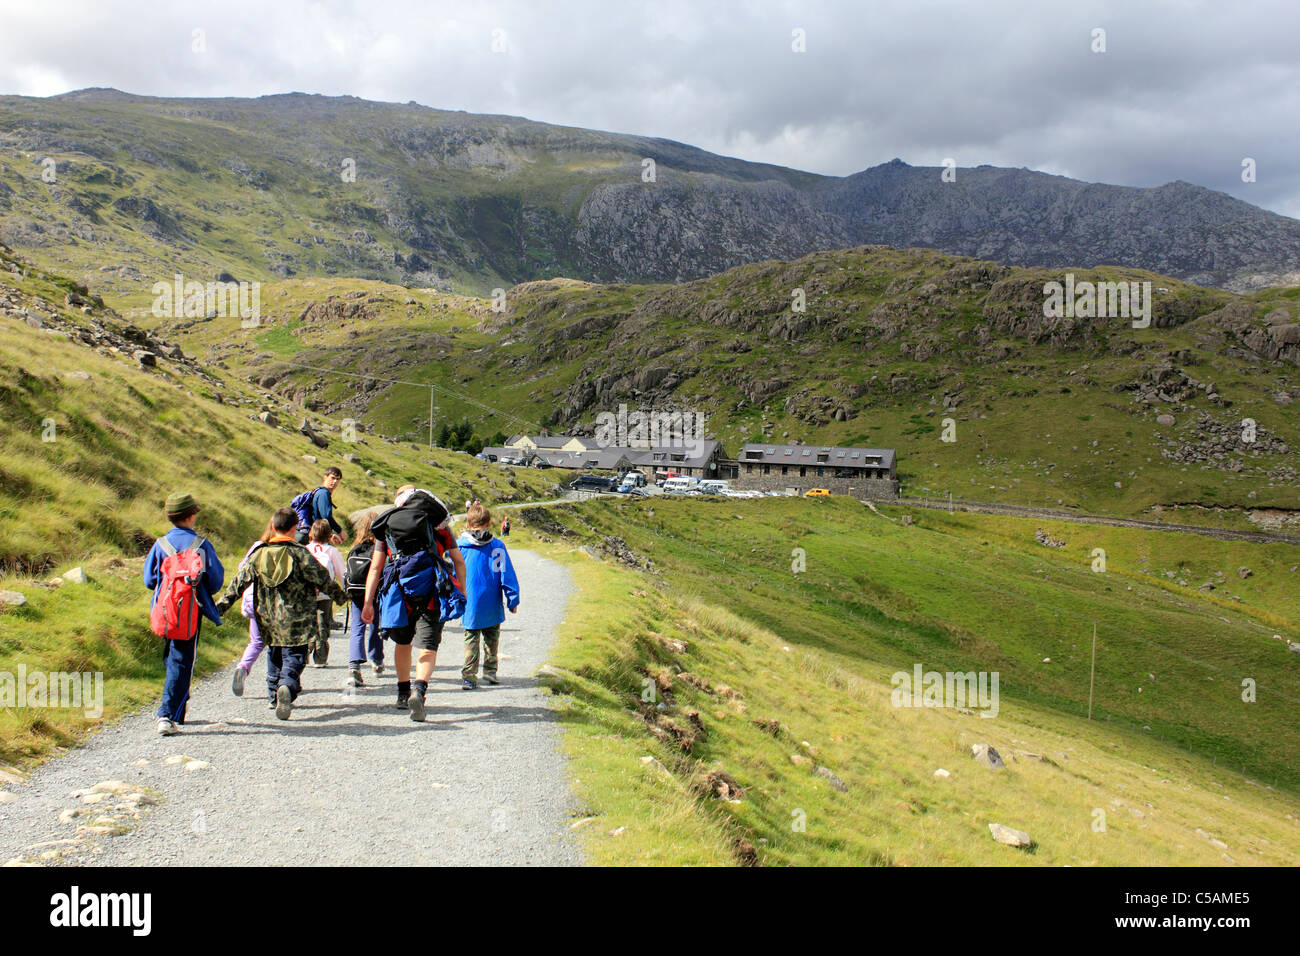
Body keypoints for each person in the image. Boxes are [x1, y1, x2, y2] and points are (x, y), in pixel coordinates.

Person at [214, 508, 347, 721]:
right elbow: (323, 579)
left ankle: (273, 693)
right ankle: (287, 685)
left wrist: (218, 609)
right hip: (297, 618)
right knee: (295, 656)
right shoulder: (301, 553)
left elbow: (237, 584)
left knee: (274, 654)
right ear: (295, 528)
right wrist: (343, 598)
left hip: (267, 617)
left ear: (273, 527)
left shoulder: (260, 554)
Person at [361, 486, 466, 721]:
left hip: (399, 593)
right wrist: (462, 590)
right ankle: (419, 691)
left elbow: (376, 567)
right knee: (428, 647)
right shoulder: (440, 526)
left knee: (403, 642)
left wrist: (368, 602)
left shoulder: (387, 525)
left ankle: (402, 692)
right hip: (431, 591)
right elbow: (458, 560)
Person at [143, 492, 225, 736]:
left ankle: (177, 712)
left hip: (164, 610)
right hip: (190, 610)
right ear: (191, 515)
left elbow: (149, 580)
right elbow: (215, 581)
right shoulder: (200, 545)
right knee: (183, 660)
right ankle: (166, 715)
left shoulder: (160, 544)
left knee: (172, 656)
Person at [457, 503, 520, 689]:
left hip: (470, 602)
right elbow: (506, 574)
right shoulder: (497, 546)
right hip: (492, 601)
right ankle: (490, 671)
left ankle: (469, 676)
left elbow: (451, 573)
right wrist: (512, 600)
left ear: (468, 523)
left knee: (471, 638)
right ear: (489, 523)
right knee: (492, 638)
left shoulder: (460, 547)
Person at [231, 518, 276, 697]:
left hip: (251, 599)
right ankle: (277, 683)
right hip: (271, 603)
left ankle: (242, 668)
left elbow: (242, 568)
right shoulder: (280, 550)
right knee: (276, 644)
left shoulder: (257, 546)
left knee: (256, 642)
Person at [345, 512, 383, 687]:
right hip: (374, 591)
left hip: (356, 592)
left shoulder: (355, 549)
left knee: (357, 627)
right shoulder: (380, 548)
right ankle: (376, 659)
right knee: (375, 625)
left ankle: (354, 665)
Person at [306, 519, 346, 667]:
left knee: (309, 623)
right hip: (325, 593)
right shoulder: (331, 551)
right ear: (329, 535)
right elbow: (341, 572)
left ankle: (305, 652)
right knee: (323, 624)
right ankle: (320, 658)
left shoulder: (305, 549)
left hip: (307, 593)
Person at [295, 467, 345, 546]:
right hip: (311, 537)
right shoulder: (323, 493)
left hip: (307, 534)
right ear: (325, 477)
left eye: (338, 479)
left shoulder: (319, 491)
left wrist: (330, 535)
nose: (335, 481)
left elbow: (318, 518)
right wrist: (340, 531)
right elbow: (326, 516)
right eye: (332, 478)